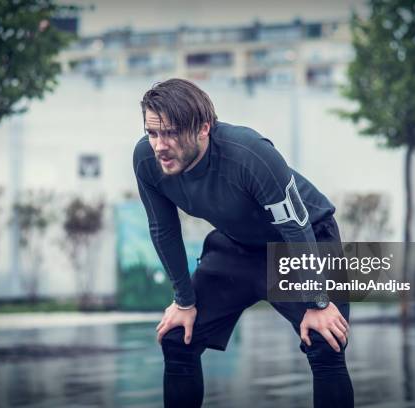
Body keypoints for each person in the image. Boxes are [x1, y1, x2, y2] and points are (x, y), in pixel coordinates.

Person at [133, 78, 353, 408]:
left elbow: (296, 226)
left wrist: (317, 302)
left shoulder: (250, 154)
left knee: (326, 341)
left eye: (171, 132)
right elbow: (163, 230)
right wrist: (183, 301)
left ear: (203, 128)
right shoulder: (148, 161)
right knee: (178, 337)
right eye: (153, 133)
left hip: (304, 242)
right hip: (238, 246)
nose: (160, 145)